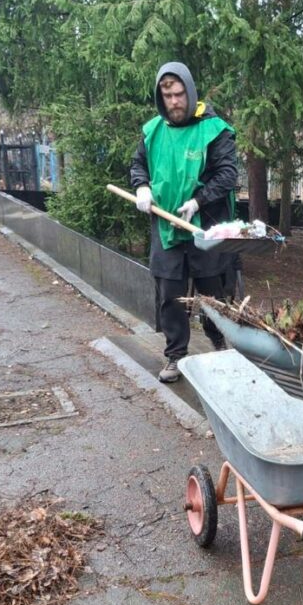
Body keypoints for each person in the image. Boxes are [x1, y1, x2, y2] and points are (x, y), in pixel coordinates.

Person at [130, 62, 239, 382]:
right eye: (168, 96)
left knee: (212, 296)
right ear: (160, 98)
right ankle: (175, 355)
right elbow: (138, 165)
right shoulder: (153, 131)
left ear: (189, 92)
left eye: (179, 94)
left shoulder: (214, 130)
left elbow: (227, 175)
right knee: (170, 297)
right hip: (166, 229)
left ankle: (219, 347)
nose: (174, 102)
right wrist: (141, 187)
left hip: (204, 228)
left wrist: (198, 201)